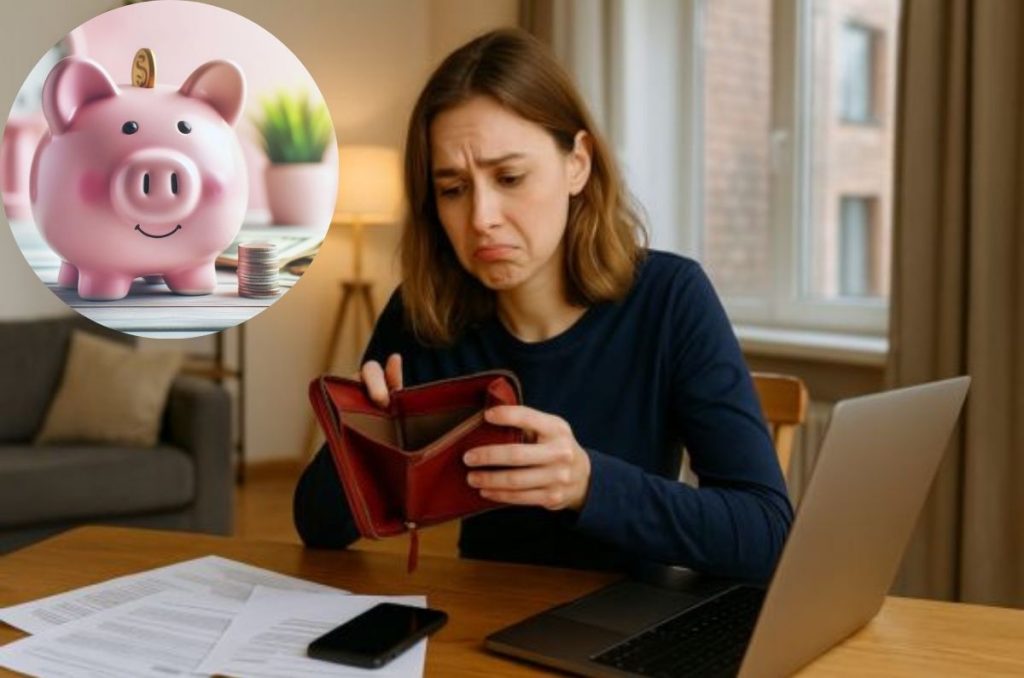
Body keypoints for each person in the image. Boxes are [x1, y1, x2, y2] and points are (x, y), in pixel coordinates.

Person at [294, 28, 792, 582]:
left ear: (577, 163)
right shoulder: (425, 315)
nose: (481, 217)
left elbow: (766, 532)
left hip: (631, 626)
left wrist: (587, 483)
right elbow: (316, 529)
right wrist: (370, 441)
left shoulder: (670, 298)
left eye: (509, 177)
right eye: (453, 189)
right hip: (481, 623)